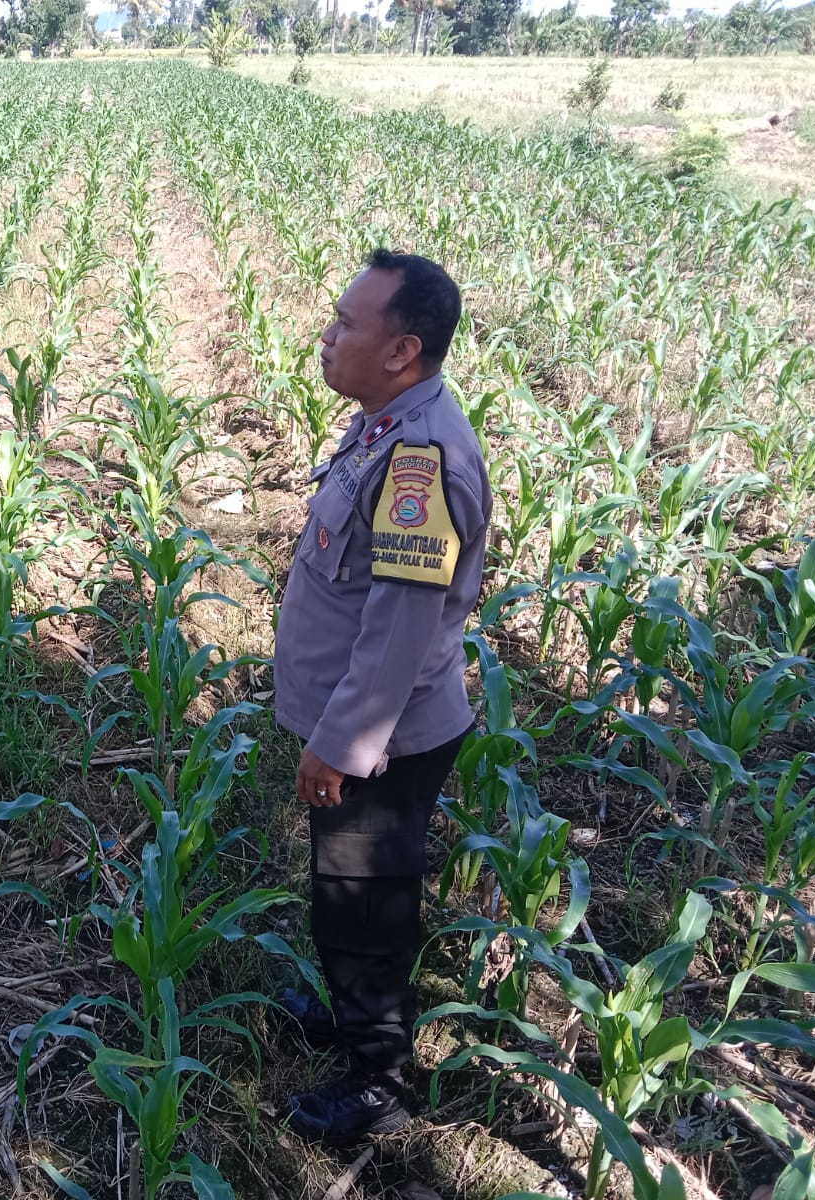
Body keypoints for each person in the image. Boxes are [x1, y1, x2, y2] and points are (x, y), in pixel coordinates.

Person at [273, 248, 490, 1143]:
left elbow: (399, 632)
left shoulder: (418, 465)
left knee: (364, 900)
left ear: (402, 351)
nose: (326, 338)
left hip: (385, 738)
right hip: (367, 725)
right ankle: (355, 1017)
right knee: (345, 891)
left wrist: (341, 744)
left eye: (346, 324)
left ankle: (379, 1079)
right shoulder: (388, 425)